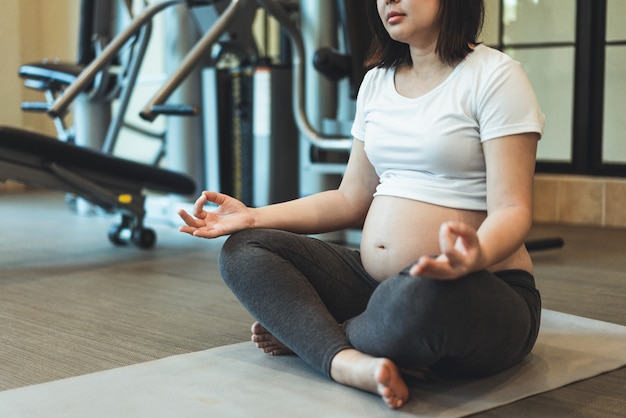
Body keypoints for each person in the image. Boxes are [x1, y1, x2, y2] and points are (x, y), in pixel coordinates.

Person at [179, 0, 544, 409]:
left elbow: (513, 210)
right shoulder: (376, 82)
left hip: (475, 291)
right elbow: (351, 198)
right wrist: (252, 216)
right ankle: (345, 360)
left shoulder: (495, 76)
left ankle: (315, 336)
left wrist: (475, 256)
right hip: (376, 287)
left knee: (416, 298)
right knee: (245, 250)